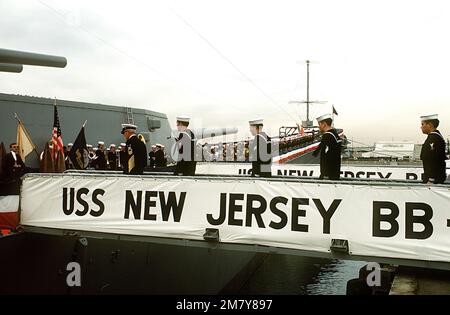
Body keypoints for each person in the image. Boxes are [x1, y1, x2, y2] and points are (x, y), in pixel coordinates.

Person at [312, 113, 342, 180]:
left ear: (324, 124)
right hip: (335, 173)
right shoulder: (335, 134)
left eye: (319, 124)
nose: (319, 127)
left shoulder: (327, 136)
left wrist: (325, 174)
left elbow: (326, 156)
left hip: (328, 175)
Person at [420, 114, 447, 184]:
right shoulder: (435, 137)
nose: (421, 127)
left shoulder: (434, 139)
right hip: (434, 178)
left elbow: (433, 159)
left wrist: (431, 179)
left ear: (430, 125)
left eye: (423, 124)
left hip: (433, 180)